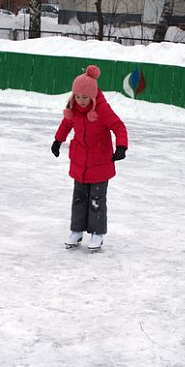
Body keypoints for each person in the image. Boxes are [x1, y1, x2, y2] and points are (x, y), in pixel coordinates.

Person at [51, 65, 128, 250]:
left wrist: (122, 146)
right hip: (79, 162)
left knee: (96, 200)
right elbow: (66, 124)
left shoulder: (102, 110)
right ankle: (76, 231)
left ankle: (97, 233)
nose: (81, 101)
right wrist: (57, 140)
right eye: (78, 96)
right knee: (79, 198)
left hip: (100, 162)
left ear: (92, 96)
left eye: (85, 97)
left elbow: (119, 126)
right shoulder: (74, 108)